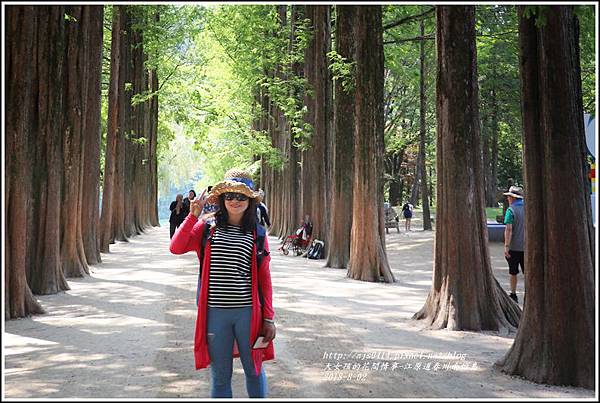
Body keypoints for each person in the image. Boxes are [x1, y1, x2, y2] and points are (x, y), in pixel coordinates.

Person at [170, 169, 275, 398]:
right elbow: (176, 247)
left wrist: (268, 317)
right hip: (215, 314)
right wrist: (192, 216)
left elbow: (264, 278)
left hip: (248, 313)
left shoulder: (257, 233)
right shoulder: (207, 227)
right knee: (220, 377)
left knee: (254, 371)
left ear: (250, 201)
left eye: (241, 196)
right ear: (222, 199)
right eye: (229, 196)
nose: (235, 201)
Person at [503, 185, 525, 304]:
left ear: (512, 198)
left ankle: (513, 294)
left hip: (514, 248)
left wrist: (506, 246)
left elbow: (509, 229)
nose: (508, 199)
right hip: (527, 247)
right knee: (528, 272)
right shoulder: (529, 209)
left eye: (509, 197)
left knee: (513, 272)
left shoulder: (510, 210)